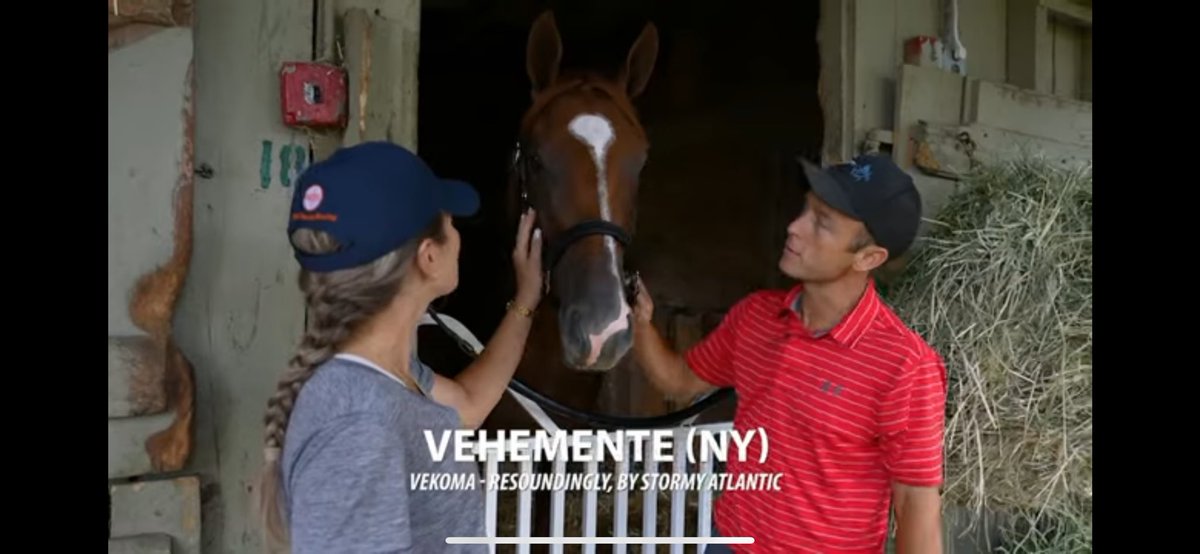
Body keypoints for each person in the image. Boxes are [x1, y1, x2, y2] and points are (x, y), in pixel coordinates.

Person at [633, 154, 948, 553]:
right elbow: (678, 382)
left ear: (868, 257)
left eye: (821, 223)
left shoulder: (904, 365)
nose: (794, 228)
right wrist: (641, 325)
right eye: (805, 210)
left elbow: (916, 507)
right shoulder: (756, 318)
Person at [253, 141, 544, 553]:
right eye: (450, 223)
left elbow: (470, 404)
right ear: (428, 257)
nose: (459, 237)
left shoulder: (387, 379)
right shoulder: (357, 426)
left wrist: (526, 300)